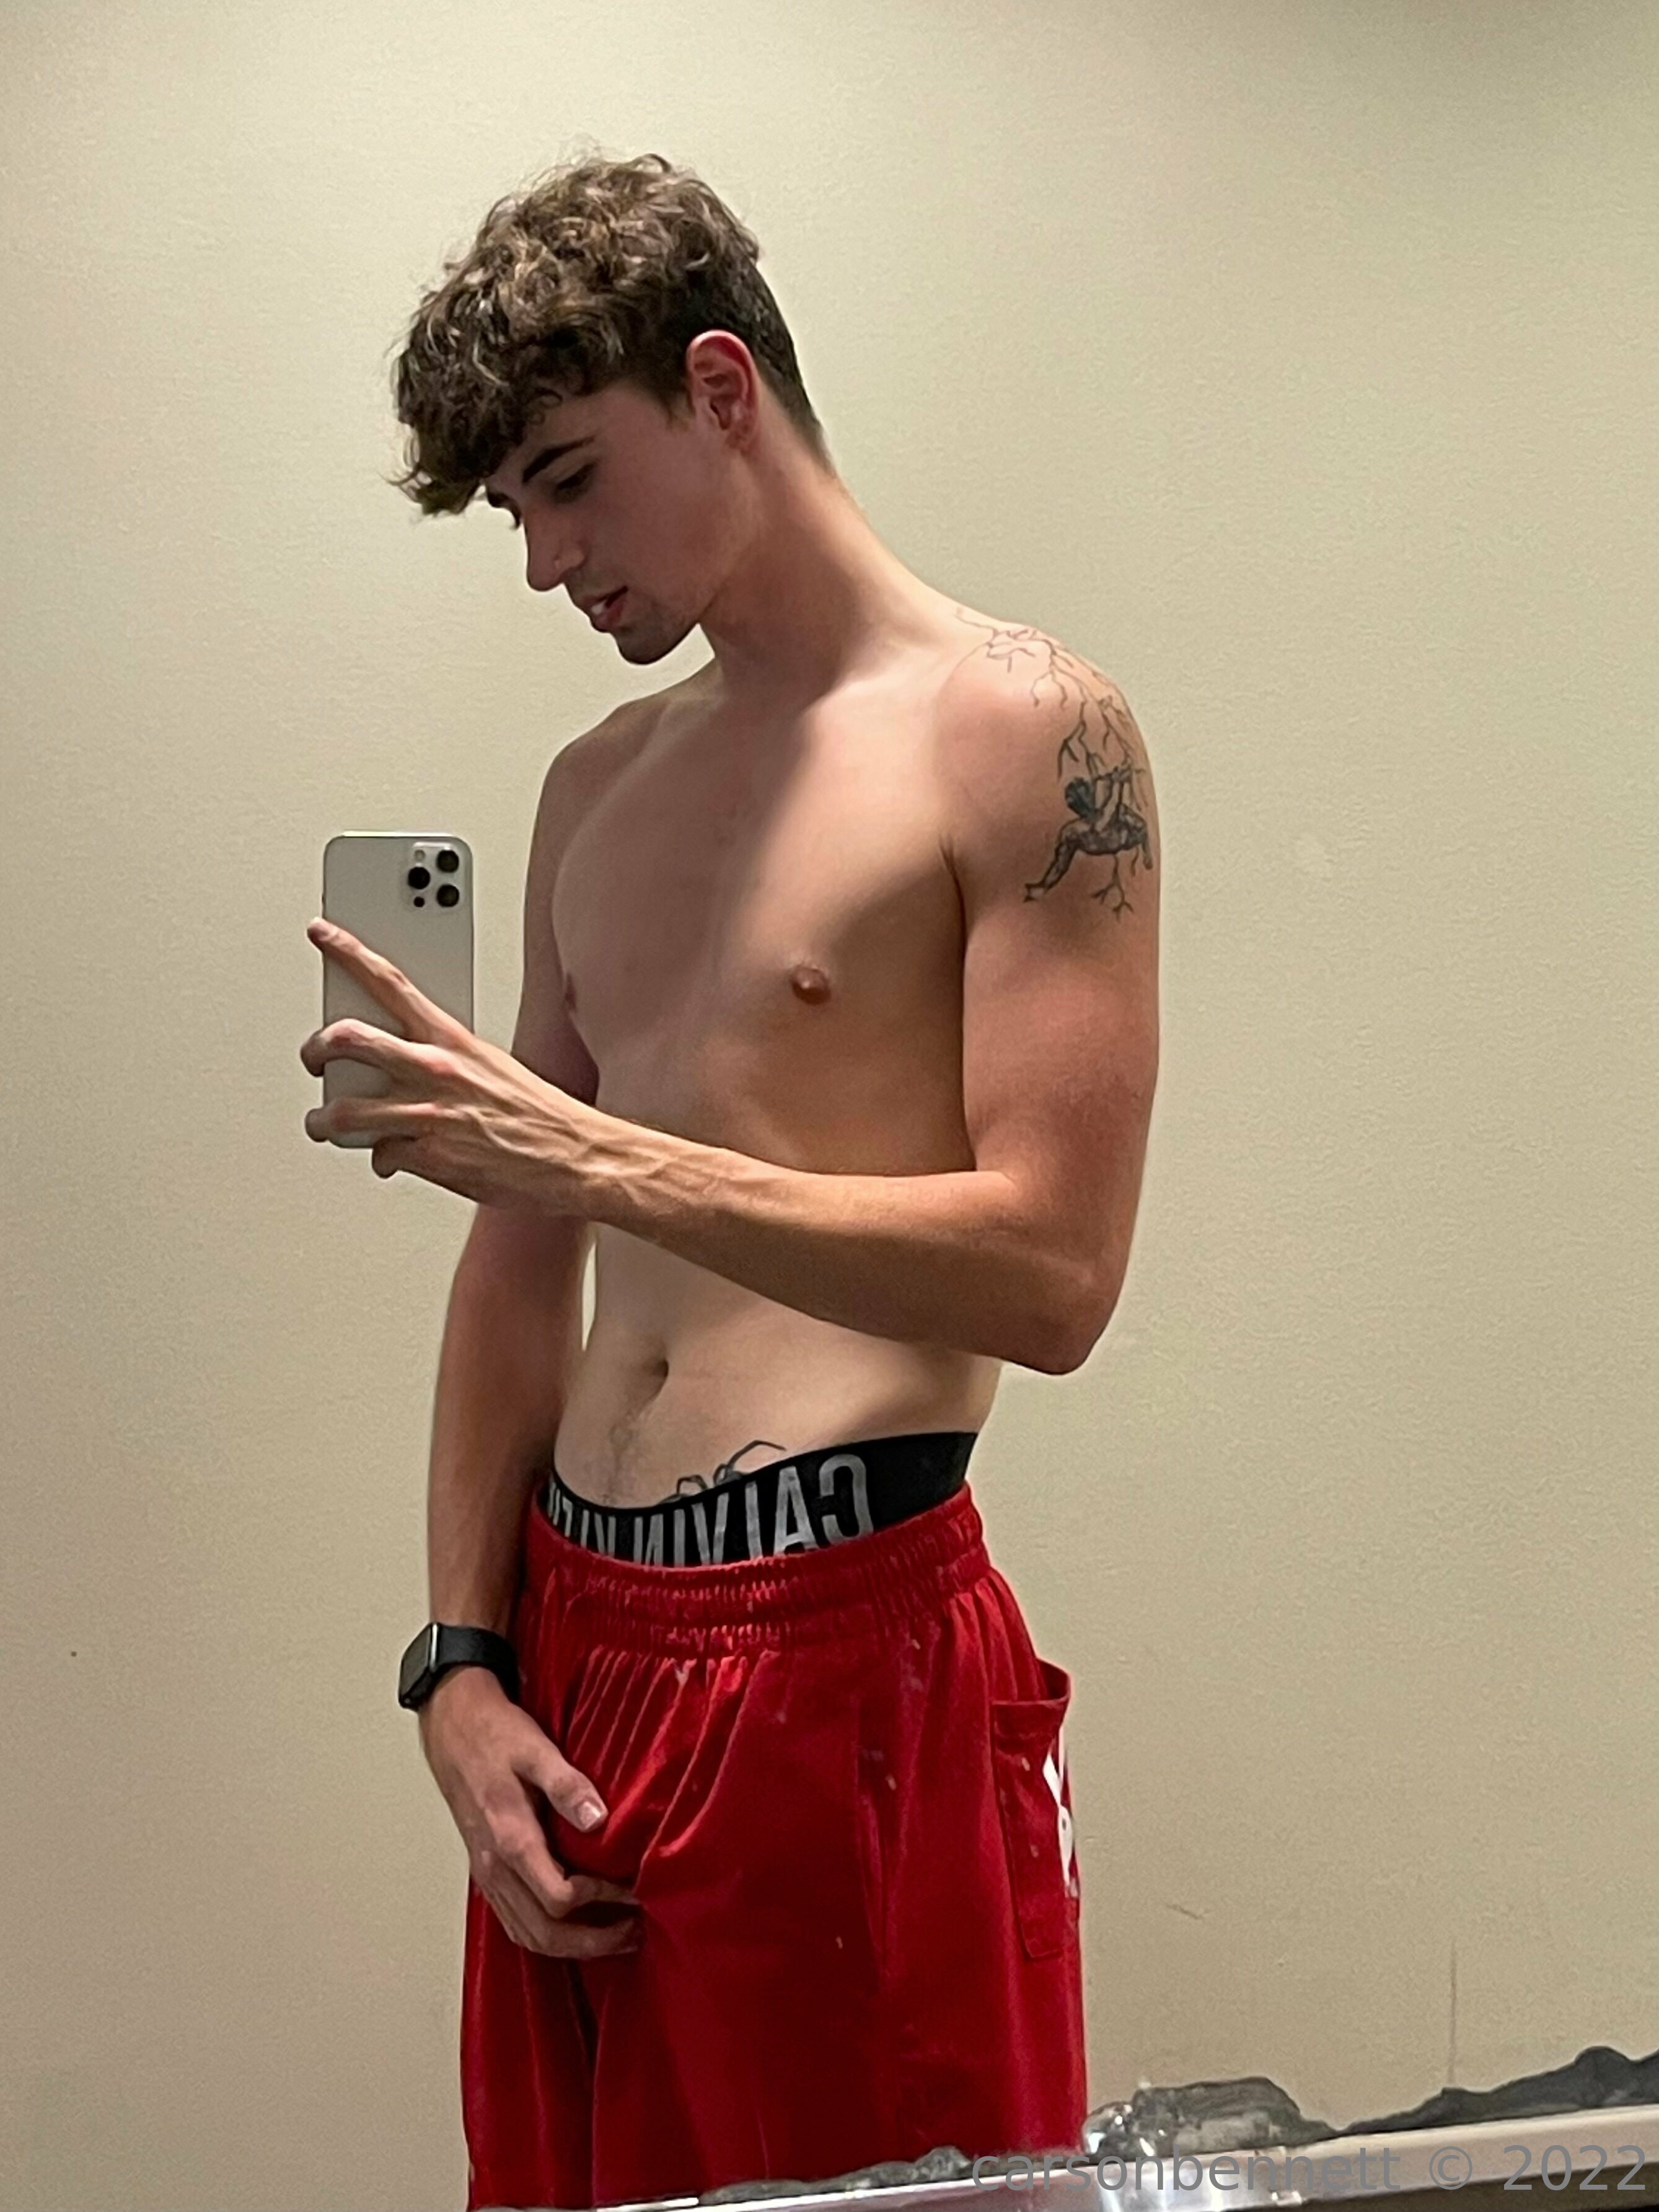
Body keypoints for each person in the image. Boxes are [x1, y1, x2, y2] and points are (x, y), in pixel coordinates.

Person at [381, 150, 1160, 2212]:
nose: (546, 561)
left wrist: (601, 1151)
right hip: (571, 1650)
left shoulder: (1024, 732)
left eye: (568, 480)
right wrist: (458, 1661)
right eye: (516, 511)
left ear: (720, 386)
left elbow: (1057, 1271)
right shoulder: (596, 787)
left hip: (842, 1656)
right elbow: (516, 1256)